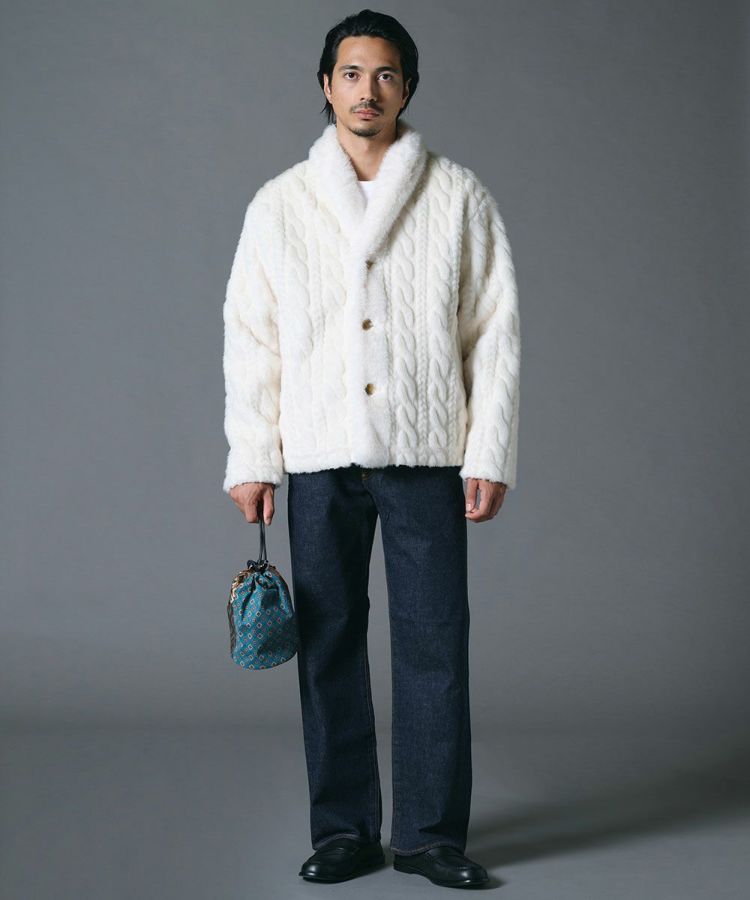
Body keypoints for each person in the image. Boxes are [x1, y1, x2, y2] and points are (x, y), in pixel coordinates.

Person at [221, 8, 520, 889]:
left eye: (385, 74)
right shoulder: (279, 204)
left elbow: (493, 333)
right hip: (318, 453)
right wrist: (253, 457)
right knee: (329, 643)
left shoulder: (458, 195)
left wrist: (489, 451)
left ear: (408, 88)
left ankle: (429, 836)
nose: (367, 90)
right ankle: (345, 830)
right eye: (351, 73)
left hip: (426, 453)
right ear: (326, 85)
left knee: (435, 641)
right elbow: (252, 339)